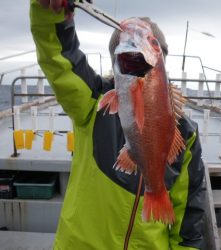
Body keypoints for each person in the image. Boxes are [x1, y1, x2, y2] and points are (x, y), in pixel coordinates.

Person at [30, 0, 205, 249]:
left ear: (160, 60)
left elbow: (189, 209)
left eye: (153, 46)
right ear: (115, 60)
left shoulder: (184, 131)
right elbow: (58, 59)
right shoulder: (93, 101)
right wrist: (53, 14)